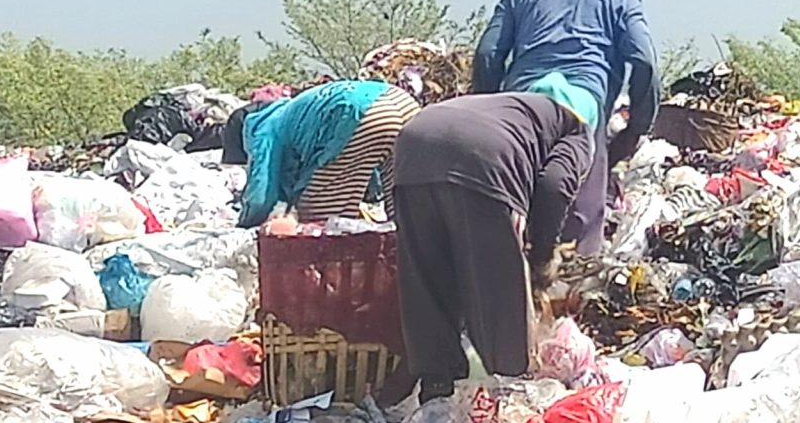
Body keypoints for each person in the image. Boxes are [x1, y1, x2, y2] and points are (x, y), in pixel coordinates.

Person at [472, 0, 657, 258]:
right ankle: (568, 300)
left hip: (520, 110)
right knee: (580, 225)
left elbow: (487, 54)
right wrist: (636, 128)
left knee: (509, 216)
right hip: (583, 112)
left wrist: (487, 109)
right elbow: (645, 62)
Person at [388, 85, 596, 401]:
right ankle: (511, 396)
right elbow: (555, 187)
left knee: (425, 281)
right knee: (498, 295)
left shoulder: (516, 109)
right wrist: (542, 256)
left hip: (413, 147)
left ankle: (436, 394)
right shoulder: (579, 132)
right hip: (482, 159)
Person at [224, 78, 422, 226]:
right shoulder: (296, 111)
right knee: (405, 216)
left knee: (318, 222)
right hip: (403, 103)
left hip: (361, 112)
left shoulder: (264, 128)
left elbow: (261, 191)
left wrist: (246, 225)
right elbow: (363, 167)